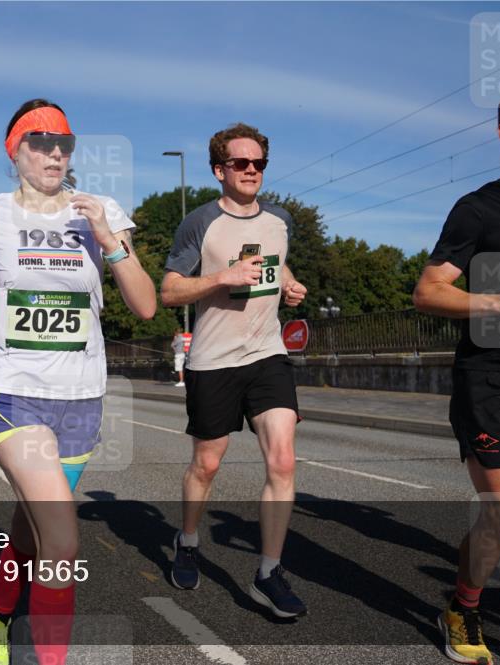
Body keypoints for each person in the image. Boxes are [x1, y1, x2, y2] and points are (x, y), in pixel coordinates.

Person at [0, 98, 155, 665]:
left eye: (64, 143)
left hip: (80, 398)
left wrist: (109, 241)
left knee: (30, 532)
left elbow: (146, 306)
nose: (55, 151)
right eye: (40, 141)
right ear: (16, 152)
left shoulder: (101, 210)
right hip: (14, 392)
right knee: (62, 540)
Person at [160, 122, 309, 617]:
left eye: (258, 163)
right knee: (207, 464)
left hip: (267, 354)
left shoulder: (281, 219)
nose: (251, 171)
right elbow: (169, 290)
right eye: (240, 163)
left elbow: (277, 262)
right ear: (219, 169)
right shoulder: (200, 223)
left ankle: (268, 572)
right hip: (214, 359)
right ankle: (187, 540)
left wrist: (288, 283)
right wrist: (222, 277)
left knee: (283, 462)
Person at [413, 85, 500, 664]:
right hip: (494, 377)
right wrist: (498, 300)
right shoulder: (479, 207)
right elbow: (428, 292)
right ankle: (463, 605)